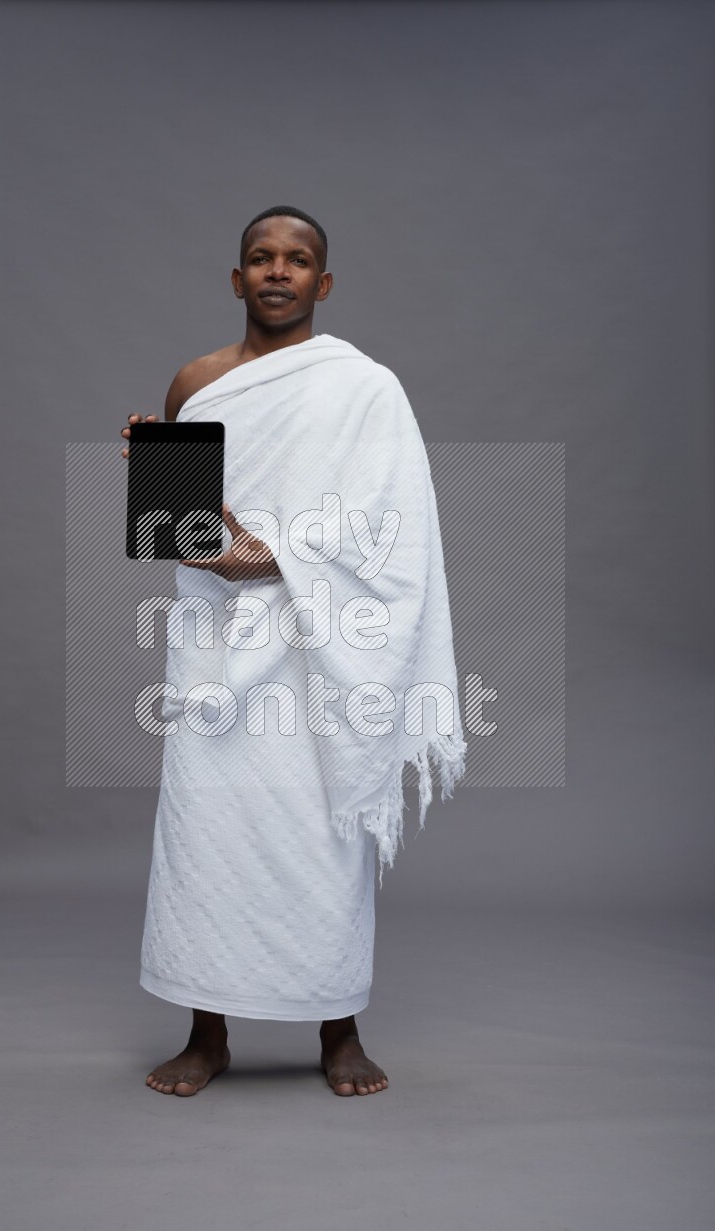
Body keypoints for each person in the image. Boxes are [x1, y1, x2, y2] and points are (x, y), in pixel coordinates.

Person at [121, 206, 464, 1097]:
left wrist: (269, 554)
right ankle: (207, 1032)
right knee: (208, 832)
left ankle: (338, 1026)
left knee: (325, 833)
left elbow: (392, 530)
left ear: (325, 282)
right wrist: (156, 479)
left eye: (298, 259)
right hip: (216, 653)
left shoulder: (367, 388)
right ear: (236, 279)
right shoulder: (196, 383)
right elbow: (182, 534)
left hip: (324, 657)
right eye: (260, 258)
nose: (279, 271)